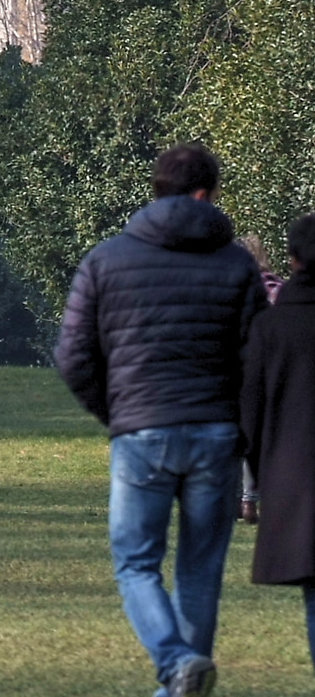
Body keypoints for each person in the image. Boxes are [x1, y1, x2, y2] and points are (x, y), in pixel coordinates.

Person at [55, 143, 267, 697]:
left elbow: (73, 356)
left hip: (142, 429)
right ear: (205, 193)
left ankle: (175, 666)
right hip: (216, 433)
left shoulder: (107, 259)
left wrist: (117, 412)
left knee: (136, 563)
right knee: (200, 569)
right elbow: (257, 358)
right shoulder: (237, 263)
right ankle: (183, 673)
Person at [240, 211, 315, 677]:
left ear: (291, 260)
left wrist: (264, 477)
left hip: (298, 477)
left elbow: (251, 414)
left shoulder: (271, 329)